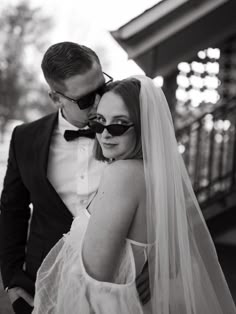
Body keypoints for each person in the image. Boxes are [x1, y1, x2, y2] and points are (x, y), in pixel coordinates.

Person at [33, 76, 236, 313]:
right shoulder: (156, 177)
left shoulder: (123, 174)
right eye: (99, 122)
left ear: (143, 127)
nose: (105, 134)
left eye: (118, 124)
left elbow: (94, 277)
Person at [0, 42, 149, 314]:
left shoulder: (130, 136)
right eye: (84, 100)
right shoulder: (25, 138)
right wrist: (11, 279)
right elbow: (12, 211)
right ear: (56, 98)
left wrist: (153, 266)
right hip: (42, 285)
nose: (97, 103)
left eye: (101, 89)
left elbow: (161, 207)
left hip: (120, 288)